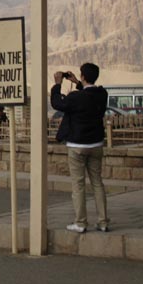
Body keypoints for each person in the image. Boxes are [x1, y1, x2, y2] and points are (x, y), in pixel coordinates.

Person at [50, 63, 110, 233]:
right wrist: (77, 82)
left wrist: (57, 84)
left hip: (77, 145)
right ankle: (103, 221)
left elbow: (57, 103)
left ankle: (81, 222)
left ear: (83, 76)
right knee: (97, 183)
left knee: (78, 185)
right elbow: (89, 95)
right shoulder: (102, 94)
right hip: (96, 144)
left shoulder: (75, 97)